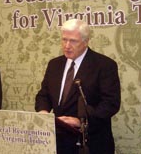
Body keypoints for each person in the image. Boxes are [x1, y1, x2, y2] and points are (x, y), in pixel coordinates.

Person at [35, 19, 121, 154]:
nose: (67, 45)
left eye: (73, 41)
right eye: (64, 40)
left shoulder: (104, 65)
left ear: (86, 42)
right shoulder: (54, 64)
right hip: (58, 143)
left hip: (91, 143)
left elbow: (110, 104)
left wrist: (81, 122)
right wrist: (43, 113)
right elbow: (43, 95)